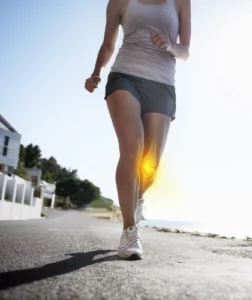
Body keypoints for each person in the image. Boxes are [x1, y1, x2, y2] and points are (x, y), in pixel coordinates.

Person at [85, 0, 191, 260]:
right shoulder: (119, 2)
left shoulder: (181, 2)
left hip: (162, 84)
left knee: (150, 167)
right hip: (125, 76)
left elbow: (185, 50)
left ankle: (137, 198)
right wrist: (97, 72)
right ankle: (129, 230)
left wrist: (168, 45)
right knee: (132, 146)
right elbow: (109, 43)